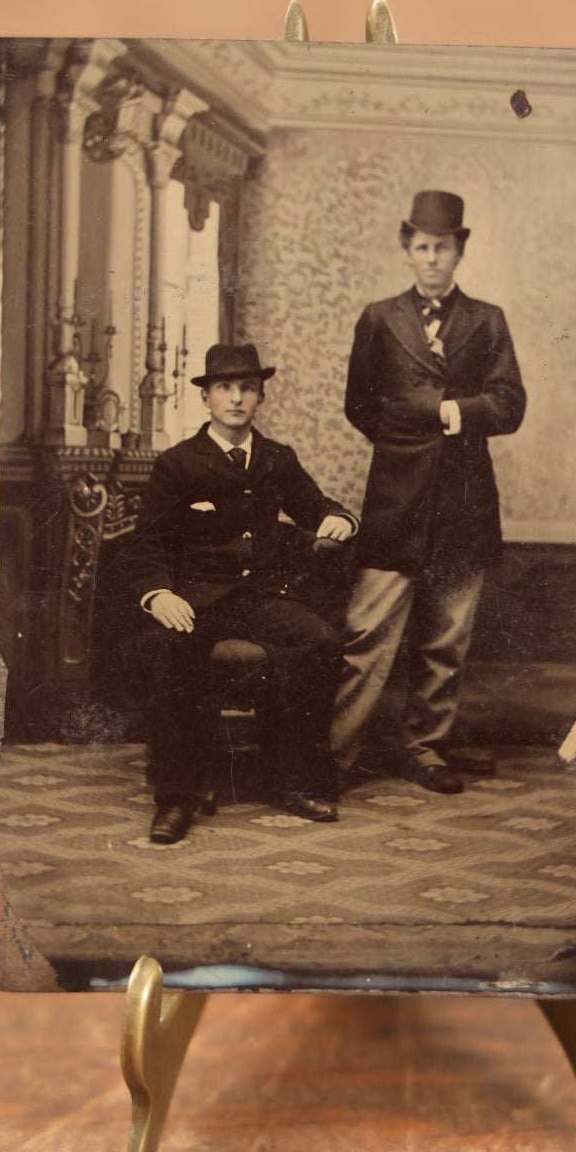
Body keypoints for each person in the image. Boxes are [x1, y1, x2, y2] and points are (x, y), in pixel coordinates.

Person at [331, 190, 526, 793]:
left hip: (464, 502)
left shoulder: (487, 320)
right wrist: (409, 443)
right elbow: (360, 406)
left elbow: (510, 405)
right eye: (422, 247)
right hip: (396, 500)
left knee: (446, 638)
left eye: (443, 246)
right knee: (367, 633)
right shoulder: (379, 318)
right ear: (406, 249)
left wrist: (444, 413)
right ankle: (335, 756)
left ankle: (426, 748)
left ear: (460, 250)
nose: (432, 258)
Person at [125, 343, 357, 844]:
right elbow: (147, 545)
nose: (236, 398)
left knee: (317, 641)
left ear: (260, 397)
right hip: (197, 599)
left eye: (247, 388)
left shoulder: (276, 459)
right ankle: (177, 795)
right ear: (206, 398)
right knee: (164, 647)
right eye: (225, 388)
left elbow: (317, 505)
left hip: (259, 598)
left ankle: (293, 779)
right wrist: (158, 595)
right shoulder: (179, 464)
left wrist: (338, 518)